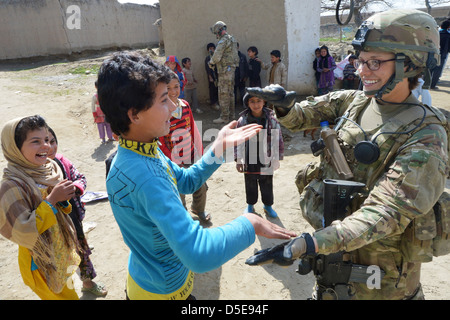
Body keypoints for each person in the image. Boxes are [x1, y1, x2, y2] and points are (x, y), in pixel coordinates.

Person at [245, 9, 449, 300]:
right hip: (332, 265)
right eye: (360, 60)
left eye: (375, 62)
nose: (362, 71)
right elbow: (303, 116)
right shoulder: (355, 101)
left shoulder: (426, 135)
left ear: (411, 65)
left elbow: (383, 213)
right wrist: (285, 106)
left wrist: (310, 243)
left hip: (383, 284)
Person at [96, 51, 296, 300]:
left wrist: (219, 147)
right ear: (134, 114)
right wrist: (250, 224)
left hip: (146, 279)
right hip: (163, 292)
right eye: (163, 100)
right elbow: (199, 254)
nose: (173, 106)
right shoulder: (147, 177)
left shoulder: (141, 149)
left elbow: (187, 181)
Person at [0, 115, 81, 300]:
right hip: (38, 259)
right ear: (15, 148)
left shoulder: (48, 170)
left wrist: (62, 200)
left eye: (46, 139)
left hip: (60, 248)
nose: (45, 146)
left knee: (69, 291)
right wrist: (52, 200)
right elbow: (23, 229)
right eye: (35, 141)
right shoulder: (10, 186)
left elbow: (60, 210)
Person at [47, 127, 108, 297]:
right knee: (58, 261)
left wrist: (75, 188)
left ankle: (87, 284)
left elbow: (80, 177)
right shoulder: (33, 174)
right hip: (51, 226)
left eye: (52, 141)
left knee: (81, 251)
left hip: (72, 219)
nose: (49, 147)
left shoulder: (62, 161)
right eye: (43, 142)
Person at [159, 71, 210, 222]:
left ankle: (198, 209)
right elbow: (161, 141)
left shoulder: (185, 106)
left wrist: (199, 153)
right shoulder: (162, 111)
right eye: (168, 88)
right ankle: (184, 216)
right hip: (173, 160)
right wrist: (172, 161)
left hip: (190, 154)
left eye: (177, 86)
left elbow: (193, 130)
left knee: (200, 184)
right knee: (178, 191)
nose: (173, 92)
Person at [235, 93, 284, 218]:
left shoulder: (271, 121)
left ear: (264, 102)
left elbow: (277, 139)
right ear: (247, 103)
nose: (256, 105)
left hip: (266, 158)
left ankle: (268, 206)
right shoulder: (243, 121)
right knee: (250, 182)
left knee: (266, 183)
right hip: (249, 158)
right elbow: (237, 140)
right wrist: (238, 159)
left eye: (259, 101)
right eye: (252, 101)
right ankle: (250, 205)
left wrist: (276, 159)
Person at [208, 21, 239, 124]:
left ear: (218, 31)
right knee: (230, 93)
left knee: (223, 93)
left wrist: (211, 62)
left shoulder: (223, 40)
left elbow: (216, 56)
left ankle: (224, 117)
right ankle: (232, 115)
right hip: (231, 70)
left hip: (224, 71)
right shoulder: (232, 39)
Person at [430, 19, 450, 90]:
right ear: (448, 27)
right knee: (437, 70)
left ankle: (426, 84)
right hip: (442, 55)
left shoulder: (435, 33)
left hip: (432, 53)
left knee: (430, 68)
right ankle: (432, 85)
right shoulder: (448, 35)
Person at [204, 42, 220, 111]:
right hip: (211, 77)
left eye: (213, 48)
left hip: (218, 76)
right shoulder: (208, 58)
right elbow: (207, 69)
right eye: (210, 49)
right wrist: (210, 77)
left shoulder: (216, 57)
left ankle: (217, 102)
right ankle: (213, 103)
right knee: (212, 89)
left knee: (217, 89)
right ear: (208, 50)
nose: (212, 50)